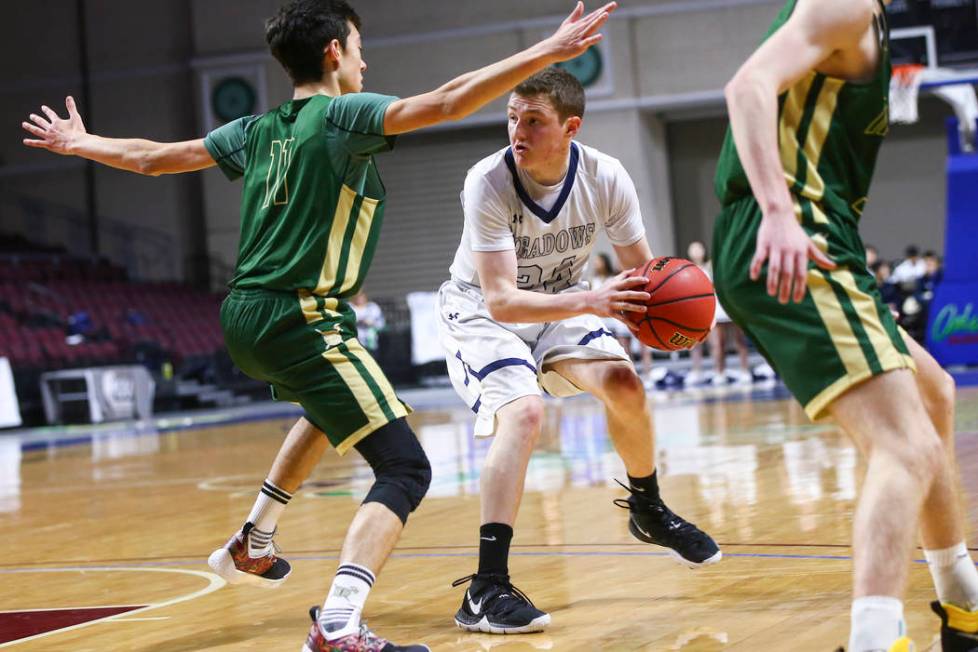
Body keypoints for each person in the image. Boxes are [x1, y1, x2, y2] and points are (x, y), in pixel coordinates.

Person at [21, 1, 618, 649]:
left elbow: (152, 159)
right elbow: (447, 102)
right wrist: (545, 53)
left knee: (328, 408)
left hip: (244, 315)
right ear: (334, 51)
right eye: (360, 48)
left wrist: (81, 144)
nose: (366, 60)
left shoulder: (254, 129)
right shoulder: (341, 115)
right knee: (405, 469)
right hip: (304, 316)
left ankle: (256, 536)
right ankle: (340, 622)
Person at [712, 0, 978, 649]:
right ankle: (875, 639)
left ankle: (964, 604)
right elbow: (745, 86)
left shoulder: (871, 20)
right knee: (905, 446)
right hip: (789, 235)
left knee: (932, 392)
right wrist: (778, 210)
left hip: (826, 240)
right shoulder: (847, 2)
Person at [436, 68, 720, 635]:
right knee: (524, 411)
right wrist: (594, 298)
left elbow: (644, 276)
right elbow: (502, 301)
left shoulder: (606, 176)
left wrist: (670, 313)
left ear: (570, 127)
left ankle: (647, 507)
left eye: (533, 120)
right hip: (482, 312)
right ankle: (485, 588)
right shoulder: (487, 181)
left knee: (625, 386)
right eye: (513, 117)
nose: (517, 130)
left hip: (560, 301)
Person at [685, 240, 752, 386]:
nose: (696, 252)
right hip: (709, 309)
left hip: (728, 304)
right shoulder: (687, 270)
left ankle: (745, 371)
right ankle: (718, 371)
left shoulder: (713, 266)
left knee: (739, 340)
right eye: (693, 249)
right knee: (717, 343)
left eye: (698, 248)